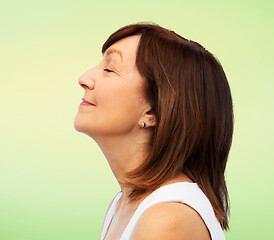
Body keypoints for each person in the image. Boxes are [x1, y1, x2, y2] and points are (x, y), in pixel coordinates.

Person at [74, 23, 233, 240]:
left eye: (109, 69)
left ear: (153, 110)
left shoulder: (166, 218)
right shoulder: (122, 205)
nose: (84, 78)